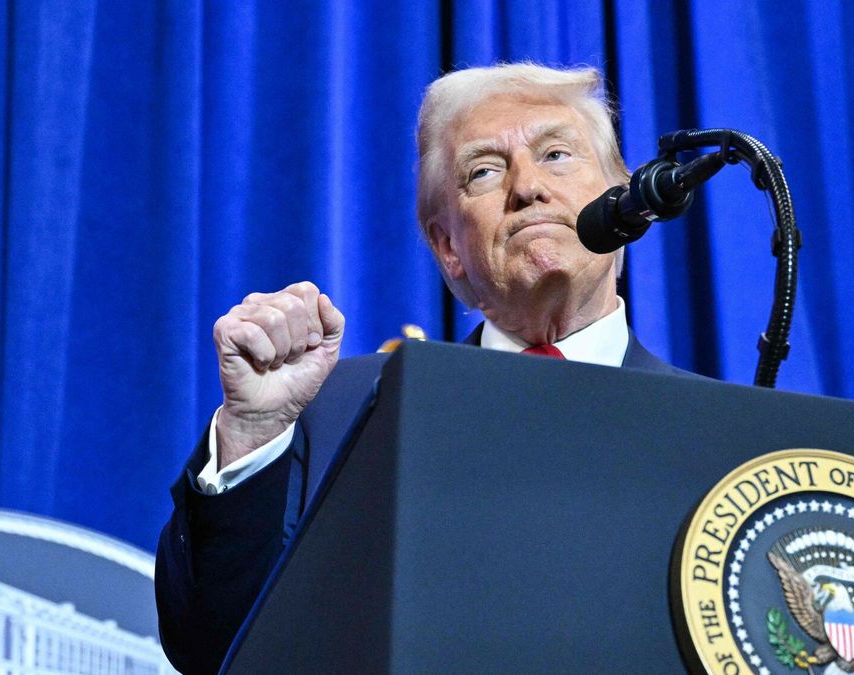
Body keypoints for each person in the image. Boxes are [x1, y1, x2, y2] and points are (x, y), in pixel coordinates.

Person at [155, 62, 694, 674]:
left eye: (556, 155)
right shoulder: (334, 410)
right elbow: (214, 647)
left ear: (626, 205)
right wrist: (254, 431)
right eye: (484, 171)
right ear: (447, 247)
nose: (527, 187)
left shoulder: (707, 436)